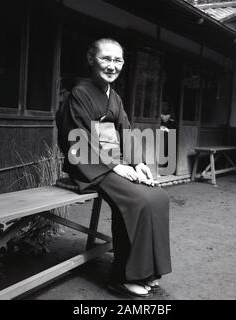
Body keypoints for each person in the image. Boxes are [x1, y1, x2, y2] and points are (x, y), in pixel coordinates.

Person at [56, 38, 172, 298]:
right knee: (139, 200)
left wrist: (138, 163)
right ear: (91, 59)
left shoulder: (114, 97)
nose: (112, 65)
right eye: (105, 59)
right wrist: (116, 166)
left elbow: (126, 133)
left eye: (117, 60)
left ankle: (149, 271)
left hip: (113, 163)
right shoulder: (79, 93)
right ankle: (122, 277)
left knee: (158, 197)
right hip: (87, 163)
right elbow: (75, 138)